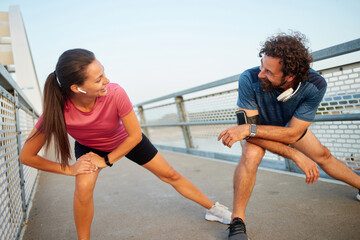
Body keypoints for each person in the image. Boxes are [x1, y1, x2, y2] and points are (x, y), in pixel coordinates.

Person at [20, 49, 231, 240]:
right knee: (83, 188)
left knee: (170, 175)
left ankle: (213, 209)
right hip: (89, 147)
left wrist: (106, 160)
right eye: (98, 79)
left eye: (104, 73)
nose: (107, 80)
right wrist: (70, 169)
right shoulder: (56, 110)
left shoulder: (115, 92)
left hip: (126, 140)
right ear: (77, 88)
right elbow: (27, 156)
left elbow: (135, 135)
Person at [217, 32, 360, 240]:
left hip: (284, 128)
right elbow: (250, 133)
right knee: (251, 156)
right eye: (261, 65)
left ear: (290, 76)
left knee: (323, 154)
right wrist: (296, 155)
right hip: (256, 130)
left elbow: (293, 133)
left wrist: (248, 129)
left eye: (268, 71)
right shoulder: (248, 79)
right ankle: (237, 222)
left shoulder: (316, 85)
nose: (260, 74)